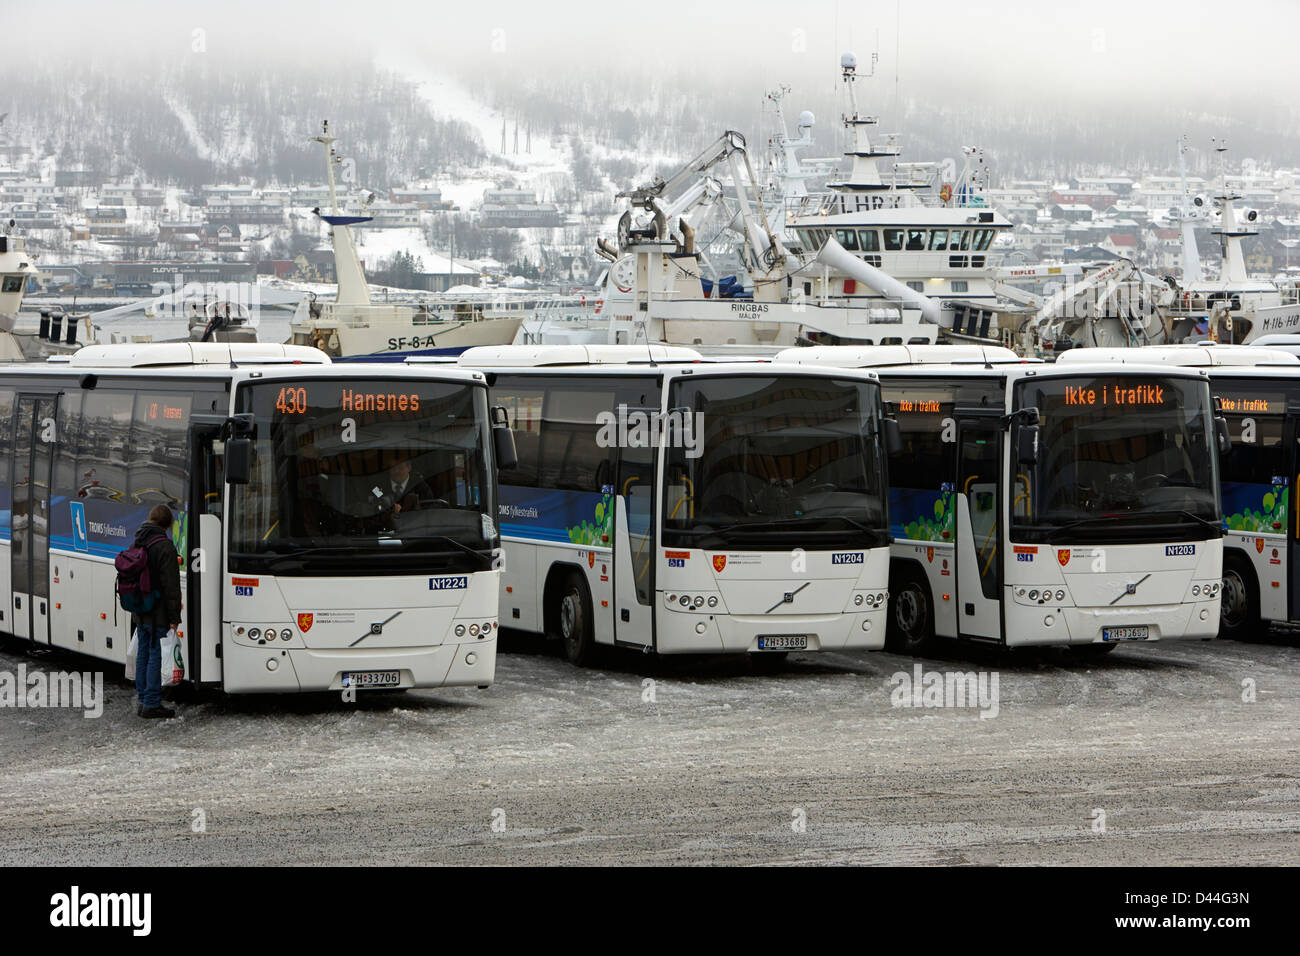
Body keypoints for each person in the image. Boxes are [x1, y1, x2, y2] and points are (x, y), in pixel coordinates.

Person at [132, 504, 182, 719]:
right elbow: (171, 587)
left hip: (140, 608)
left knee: (143, 652)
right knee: (155, 654)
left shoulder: (138, 539)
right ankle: (152, 703)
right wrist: (174, 617)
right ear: (168, 523)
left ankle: (143, 699)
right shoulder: (165, 546)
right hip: (158, 610)